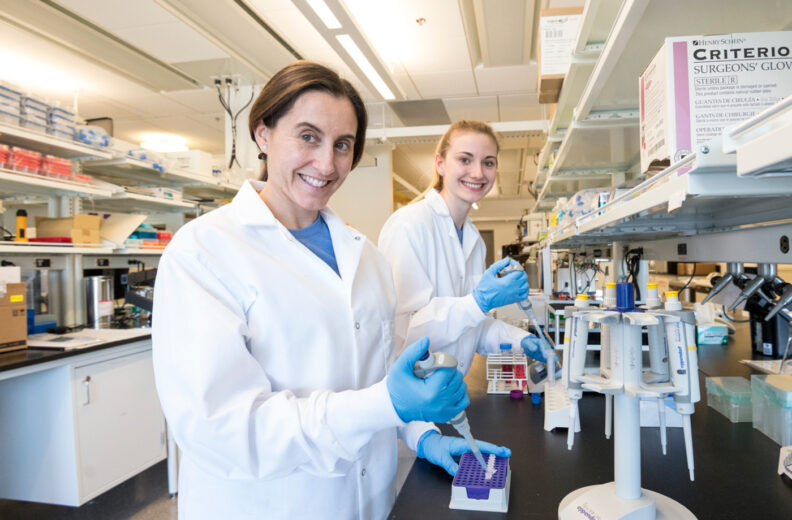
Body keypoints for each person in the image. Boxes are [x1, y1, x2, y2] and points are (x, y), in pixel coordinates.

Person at [152, 62, 508, 520]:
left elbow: (381, 381)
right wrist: (385, 404)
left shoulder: (368, 260)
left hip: (371, 501)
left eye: (342, 145)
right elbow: (222, 427)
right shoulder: (205, 252)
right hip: (269, 506)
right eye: (307, 137)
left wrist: (422, 434)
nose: (326, 163)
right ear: (263, 134)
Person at [378, 120, 547, 375]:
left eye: (488, 162)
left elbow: (472, 327)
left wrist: (520, 339)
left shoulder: (473, 239)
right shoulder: (409, 225)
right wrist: (477, 302)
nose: (478, 173)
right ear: (440, 164)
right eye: (465, 159)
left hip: (451, 390)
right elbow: (404, 332)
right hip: (414, 394)